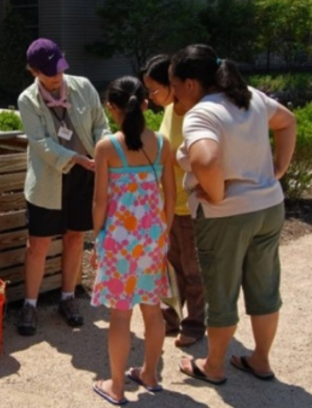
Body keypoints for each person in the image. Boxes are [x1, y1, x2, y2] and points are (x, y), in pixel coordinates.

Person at [169, 44, 296, 385]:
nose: (174, 95)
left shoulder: (202, 113)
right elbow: (288, 122)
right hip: (269, 207)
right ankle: (261, 360)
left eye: (175, 86)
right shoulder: (250, 96)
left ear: (191, 83)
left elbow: (205, 160)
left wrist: (216, 193)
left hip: (226, 215)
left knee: (221, 292)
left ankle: (213, 366)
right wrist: (278, 170)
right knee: (264, 288)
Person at [17, 38, 111, 336]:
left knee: (74, 239)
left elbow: (101, 123)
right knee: (38, 245)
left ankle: (68, 298)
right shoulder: (27, 99)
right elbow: (40, 143)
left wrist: (101, 150)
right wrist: (76, 158)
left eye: (58, 68)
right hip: (48, 179)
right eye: (48, 72)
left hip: (85, 175)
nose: (56, 76)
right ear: (34, 71)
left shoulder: (82, 86)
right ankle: (30, 304)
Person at [90, 76, 175, 404]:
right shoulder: (163, 144)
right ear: (145, 103)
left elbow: (100, 201)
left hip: (118, 242)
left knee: (121, 315)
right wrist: (162, 233)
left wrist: (97, 236)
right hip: (153, 239)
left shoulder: (107, 147)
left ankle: (116, 387)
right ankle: (150, 374)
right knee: (153, 311)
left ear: (112, 108)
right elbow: (170, 193)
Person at [140, 54, 206, 348]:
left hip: (190, 206)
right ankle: (170, 318)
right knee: (168, 266)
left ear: (174, 85)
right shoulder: (169, 110)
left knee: (193, 270)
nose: (152, 98)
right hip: (166, 205)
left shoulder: (198, 114)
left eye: (155, 90)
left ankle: (195, 324)